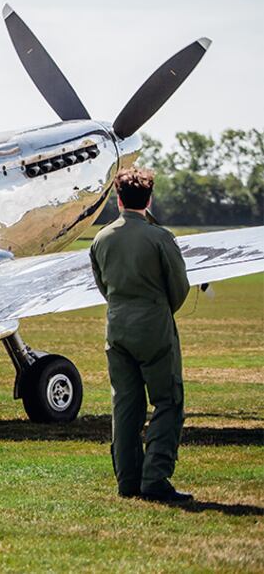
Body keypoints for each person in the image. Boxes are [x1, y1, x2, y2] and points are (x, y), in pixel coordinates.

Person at [89, 167, 191, 503]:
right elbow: (179, 287)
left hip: (116, 327)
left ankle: (127, 480)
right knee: (167, 401)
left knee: (125, 406)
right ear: (148, 199)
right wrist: (158, 309)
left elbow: (102, 285)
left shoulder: (101, 239)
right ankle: (156, 478)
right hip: (153, 326)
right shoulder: (160, 237)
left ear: (118, 199)